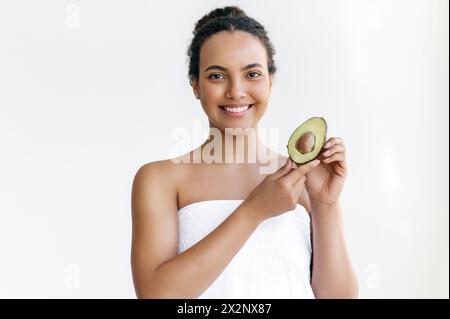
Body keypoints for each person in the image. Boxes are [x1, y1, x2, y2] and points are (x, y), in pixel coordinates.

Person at [131, 5, 358, 299]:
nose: (236, 91)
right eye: (216, 76)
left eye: (252, 73)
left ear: (270, 82)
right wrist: (255, 210)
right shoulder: (160, 179)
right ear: (195, 86)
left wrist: (326, 204)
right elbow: (156, 295)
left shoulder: (302, 178)